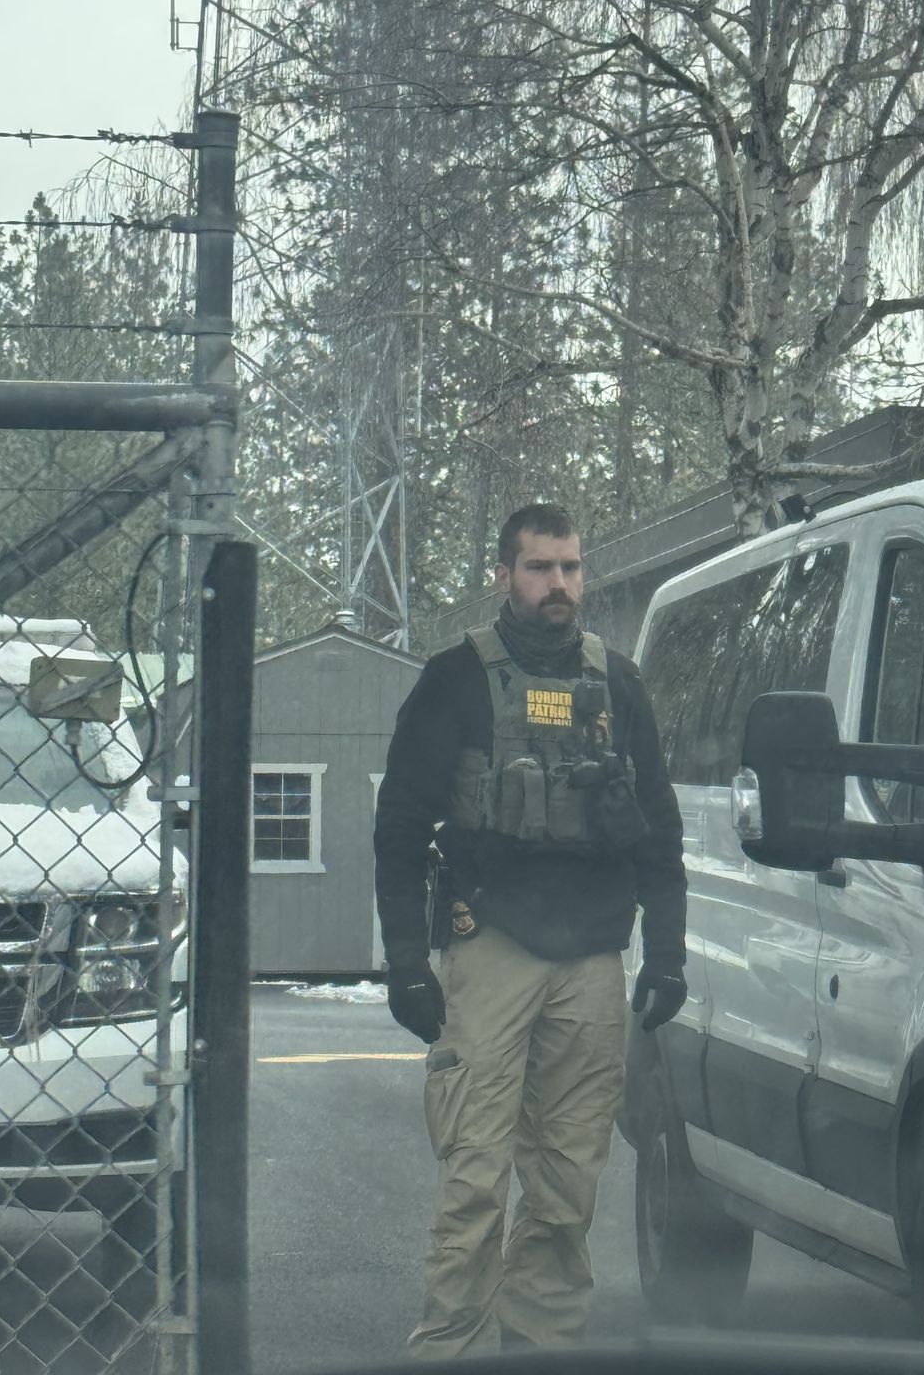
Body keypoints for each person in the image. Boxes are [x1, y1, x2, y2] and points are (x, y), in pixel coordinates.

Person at [375, 502, 687, 1358]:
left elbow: (660, 830)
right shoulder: (455, 680)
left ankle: (540, 1349)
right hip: (492, 944)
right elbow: (399, 824)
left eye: (572, 568)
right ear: (505, 575)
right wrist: (407, 961)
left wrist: (667, 952)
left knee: (566, 1188)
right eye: (542, 567)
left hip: (592, 959)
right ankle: (448, 1349)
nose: (560, 584)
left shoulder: (618, 685)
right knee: (474, 1179)